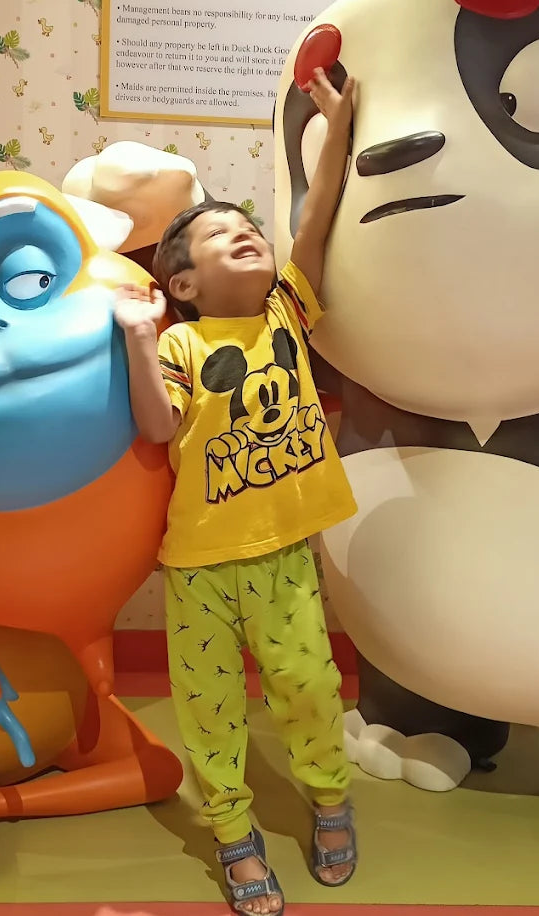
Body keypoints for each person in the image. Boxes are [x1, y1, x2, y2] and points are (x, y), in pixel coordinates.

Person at [114, 67, 358, 916]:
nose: (246, 232)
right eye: (222, 235)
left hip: (286, 552)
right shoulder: (180, 346)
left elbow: (315, 219)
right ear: (183, 284)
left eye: (247, 225)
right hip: (201, 566)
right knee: (211, 709)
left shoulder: (289, 310)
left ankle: (330, 798)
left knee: (310, 688)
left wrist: (338, 124)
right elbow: (154, 429)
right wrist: (142, 343)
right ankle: (232, 832)